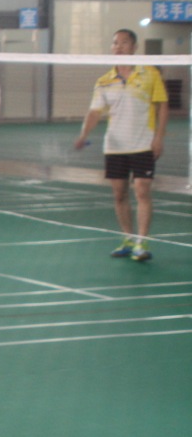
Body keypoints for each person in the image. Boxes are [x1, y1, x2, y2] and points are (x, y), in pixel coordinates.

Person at [74, 28, 168, 263]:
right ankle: (127, 238)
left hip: (143, 143)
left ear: (134, 47)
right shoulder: (104, 81)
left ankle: (141, 242)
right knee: (119, 194)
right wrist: (84, 133)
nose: (118, 47)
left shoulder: (150, 74)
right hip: (115, 146)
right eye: (115, 43)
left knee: (142, 190)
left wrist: (159, 137)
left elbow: (162, 106)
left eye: (124, 43)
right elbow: (95, 112)